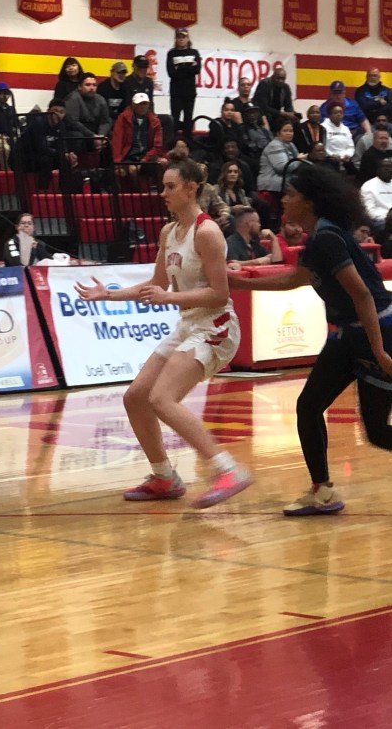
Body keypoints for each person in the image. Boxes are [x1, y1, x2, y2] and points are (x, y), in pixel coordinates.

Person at [74, 159, 251, 508]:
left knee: (162, 398)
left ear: (191, 188)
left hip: (215, 325)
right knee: (136, 397)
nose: (163, 193)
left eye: (170, 186)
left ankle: (228, 469)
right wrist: (108, 295)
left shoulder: (207, 232)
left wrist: (169, 298)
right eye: (163, 186)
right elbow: (157, 283)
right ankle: (164, 476)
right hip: (188, 324)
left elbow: (220, 294)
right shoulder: (169, 232)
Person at [228, 164, 392, 515]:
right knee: (309, 406)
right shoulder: (320, 237)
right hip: (347, 336)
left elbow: (362, 295)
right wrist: (241, 282)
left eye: (290, 194)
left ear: (310, 201)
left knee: (378, 432)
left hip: (377, 330)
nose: (284, 200)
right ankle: (323, 491)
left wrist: (379, 350)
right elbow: (295, 278)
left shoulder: (328, 238)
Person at [15, 99, 79, 190]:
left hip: (41, 156)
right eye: (55, 111)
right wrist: (61, 154)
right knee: (46, 160)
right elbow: (41, 148)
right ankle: (42, 191)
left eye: (61, 112)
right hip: (23, 158)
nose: (58, 114)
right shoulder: (38, 123)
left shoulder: (61, 125)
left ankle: (64, 191)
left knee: (65, 161)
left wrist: (68, 154)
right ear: (48, 112)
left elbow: (62, 144)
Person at [111, 93, 166, 187]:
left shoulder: (155, 121)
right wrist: (117, 163)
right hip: (128, 157)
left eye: (145, 104)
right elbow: (117, 141)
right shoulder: (123, 118)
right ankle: (141, 195)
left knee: (163, 163)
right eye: (139, 104)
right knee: (133, 170)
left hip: (147, 156)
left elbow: (157, 146)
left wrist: (144, 159)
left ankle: (162, 193)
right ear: (133, 105)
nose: (142, 107)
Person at [257, 119, 305, 201]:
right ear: (278, 133)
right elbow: (282, 168)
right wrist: (298, 159)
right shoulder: (274, 145)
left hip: (284, 186)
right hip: (271, 189)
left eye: (291, 131)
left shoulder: (291, 144)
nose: (289, 133)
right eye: (285, 131)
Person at [166, 28, 201, 137]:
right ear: (175, 39)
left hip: (190, 93)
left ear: (188, 38)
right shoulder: (172, 53)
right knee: (175, 119)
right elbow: (171, 73)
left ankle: (187, 142)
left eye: (183, 37)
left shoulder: (194, 52)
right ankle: (173, 142)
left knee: (188, 119)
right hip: (176, 93)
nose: (181, 39)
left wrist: (180, 67)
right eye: (179, 37)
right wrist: (189, 67)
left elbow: (197, 70)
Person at [64, 72, 112, 143]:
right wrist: (93, 136)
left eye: (94, 85)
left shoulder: (100, 99)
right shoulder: (73, 98)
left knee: (110, 133)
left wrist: (101, 136)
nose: (92, 88)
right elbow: (73, 123)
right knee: (77, 135)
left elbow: (105, 121)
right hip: (80, 132)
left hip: (95, 133)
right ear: (79, 87)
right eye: (88, 85)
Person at [360, 158, 392, 235]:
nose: (388, 169)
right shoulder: (368, 186)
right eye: (385, 167)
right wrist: (388, 218)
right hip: (380, 221)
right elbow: (369, 212)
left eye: (390, 167)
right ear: (378, 169)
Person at [321, 104, 356, 172]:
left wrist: (348, 155)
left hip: (345, 159)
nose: (339, 114)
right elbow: (323, 146)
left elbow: (350, 146)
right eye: (336, 113)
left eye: (341, 112)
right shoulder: (323, 127)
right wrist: (331, 155)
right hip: (330, 159)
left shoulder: (346, 129)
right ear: (330, 115)